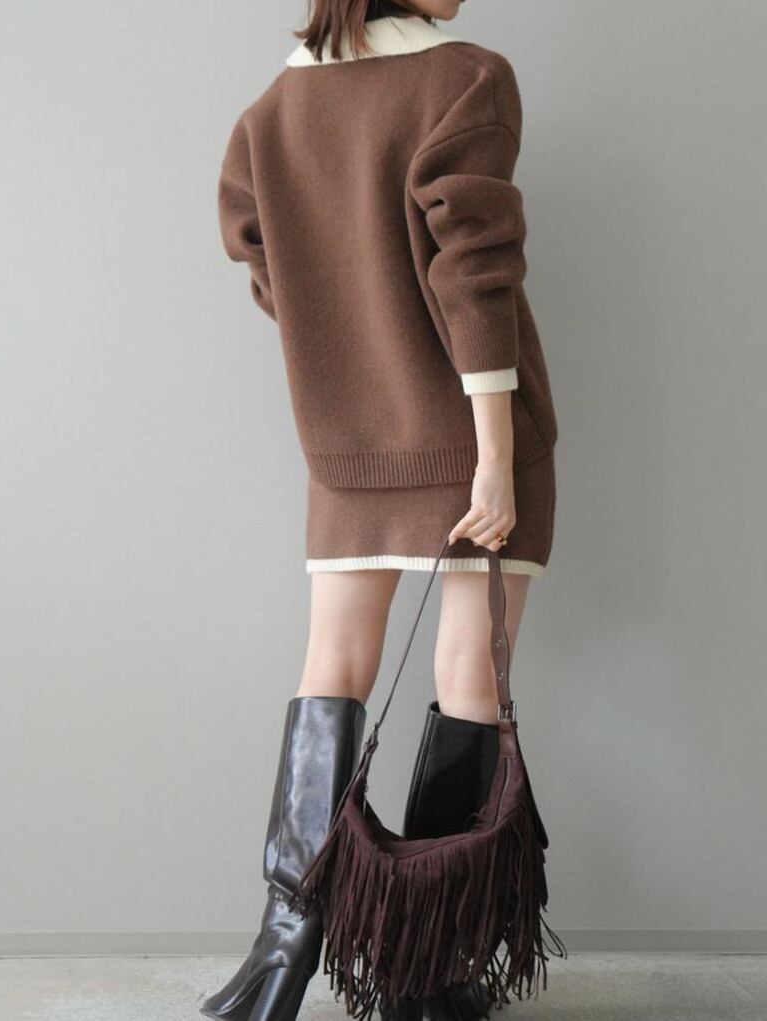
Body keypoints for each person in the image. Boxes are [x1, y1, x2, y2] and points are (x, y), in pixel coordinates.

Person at [200, 1, 558, 1019]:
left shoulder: (271, 112)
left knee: (332, 665)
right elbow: (474, 270)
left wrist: (354, 343)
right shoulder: (466, 79)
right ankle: (425, 971)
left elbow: (266, 262)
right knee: (470, 670)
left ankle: (283, 948)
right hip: (474, 435)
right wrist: (495, 457)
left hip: (346, 443)